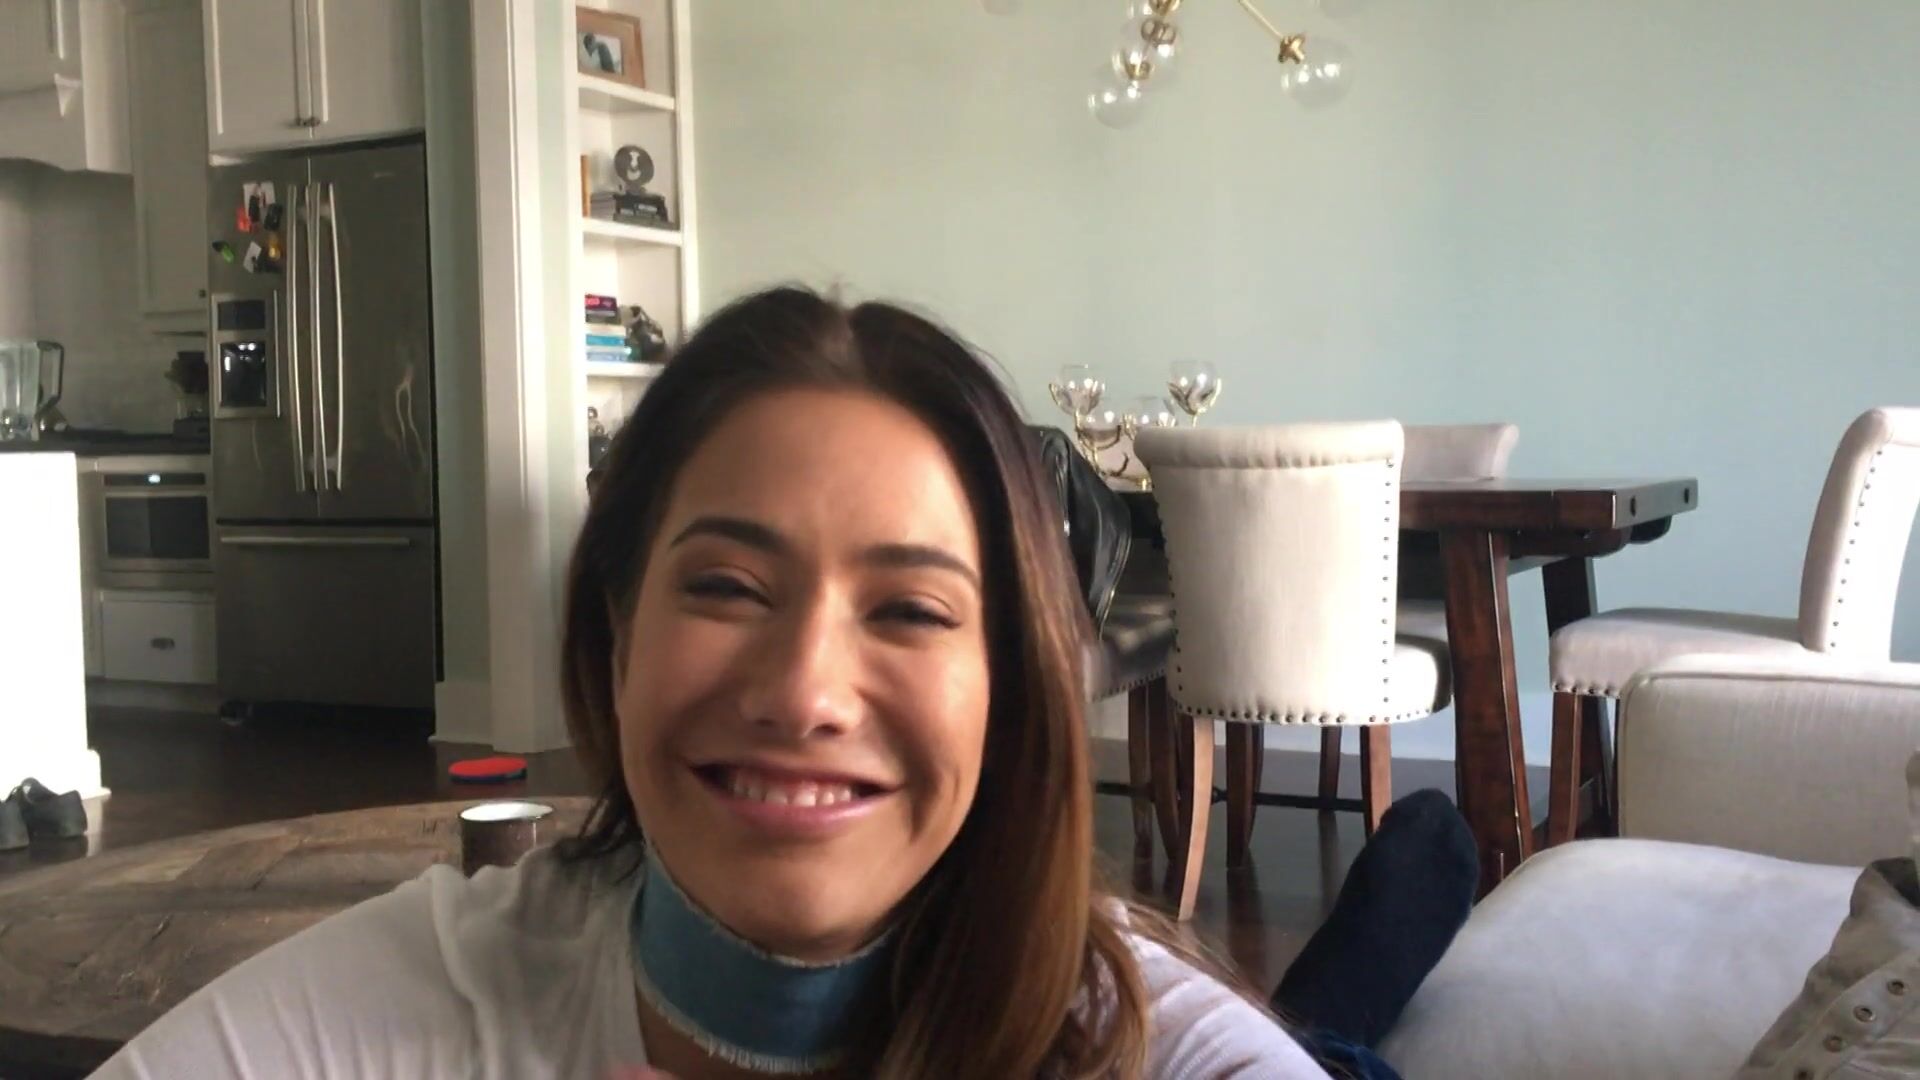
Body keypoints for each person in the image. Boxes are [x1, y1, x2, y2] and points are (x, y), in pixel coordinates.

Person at [92, 287, 1336, 1078]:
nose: (804, 693)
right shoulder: (431, 993)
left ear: (1009, 687)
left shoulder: (1157, 1047)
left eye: (910, 610)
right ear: (617, 628)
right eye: (729, 588)